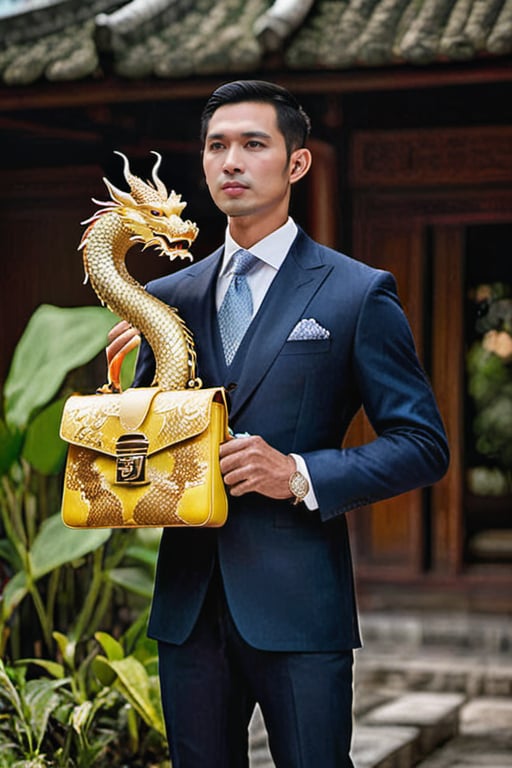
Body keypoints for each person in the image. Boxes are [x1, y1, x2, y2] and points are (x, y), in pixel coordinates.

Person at [107, 80, 449, 768]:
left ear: (297, 163)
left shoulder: (357, 292)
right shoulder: (165, 300)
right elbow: (132, 463)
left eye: (253, 144)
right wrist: (116, 389)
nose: (231, 161)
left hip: (301, 609)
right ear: (202, 164)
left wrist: (297, 474)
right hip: (187, 611)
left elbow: (423, 445)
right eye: (216, 146)